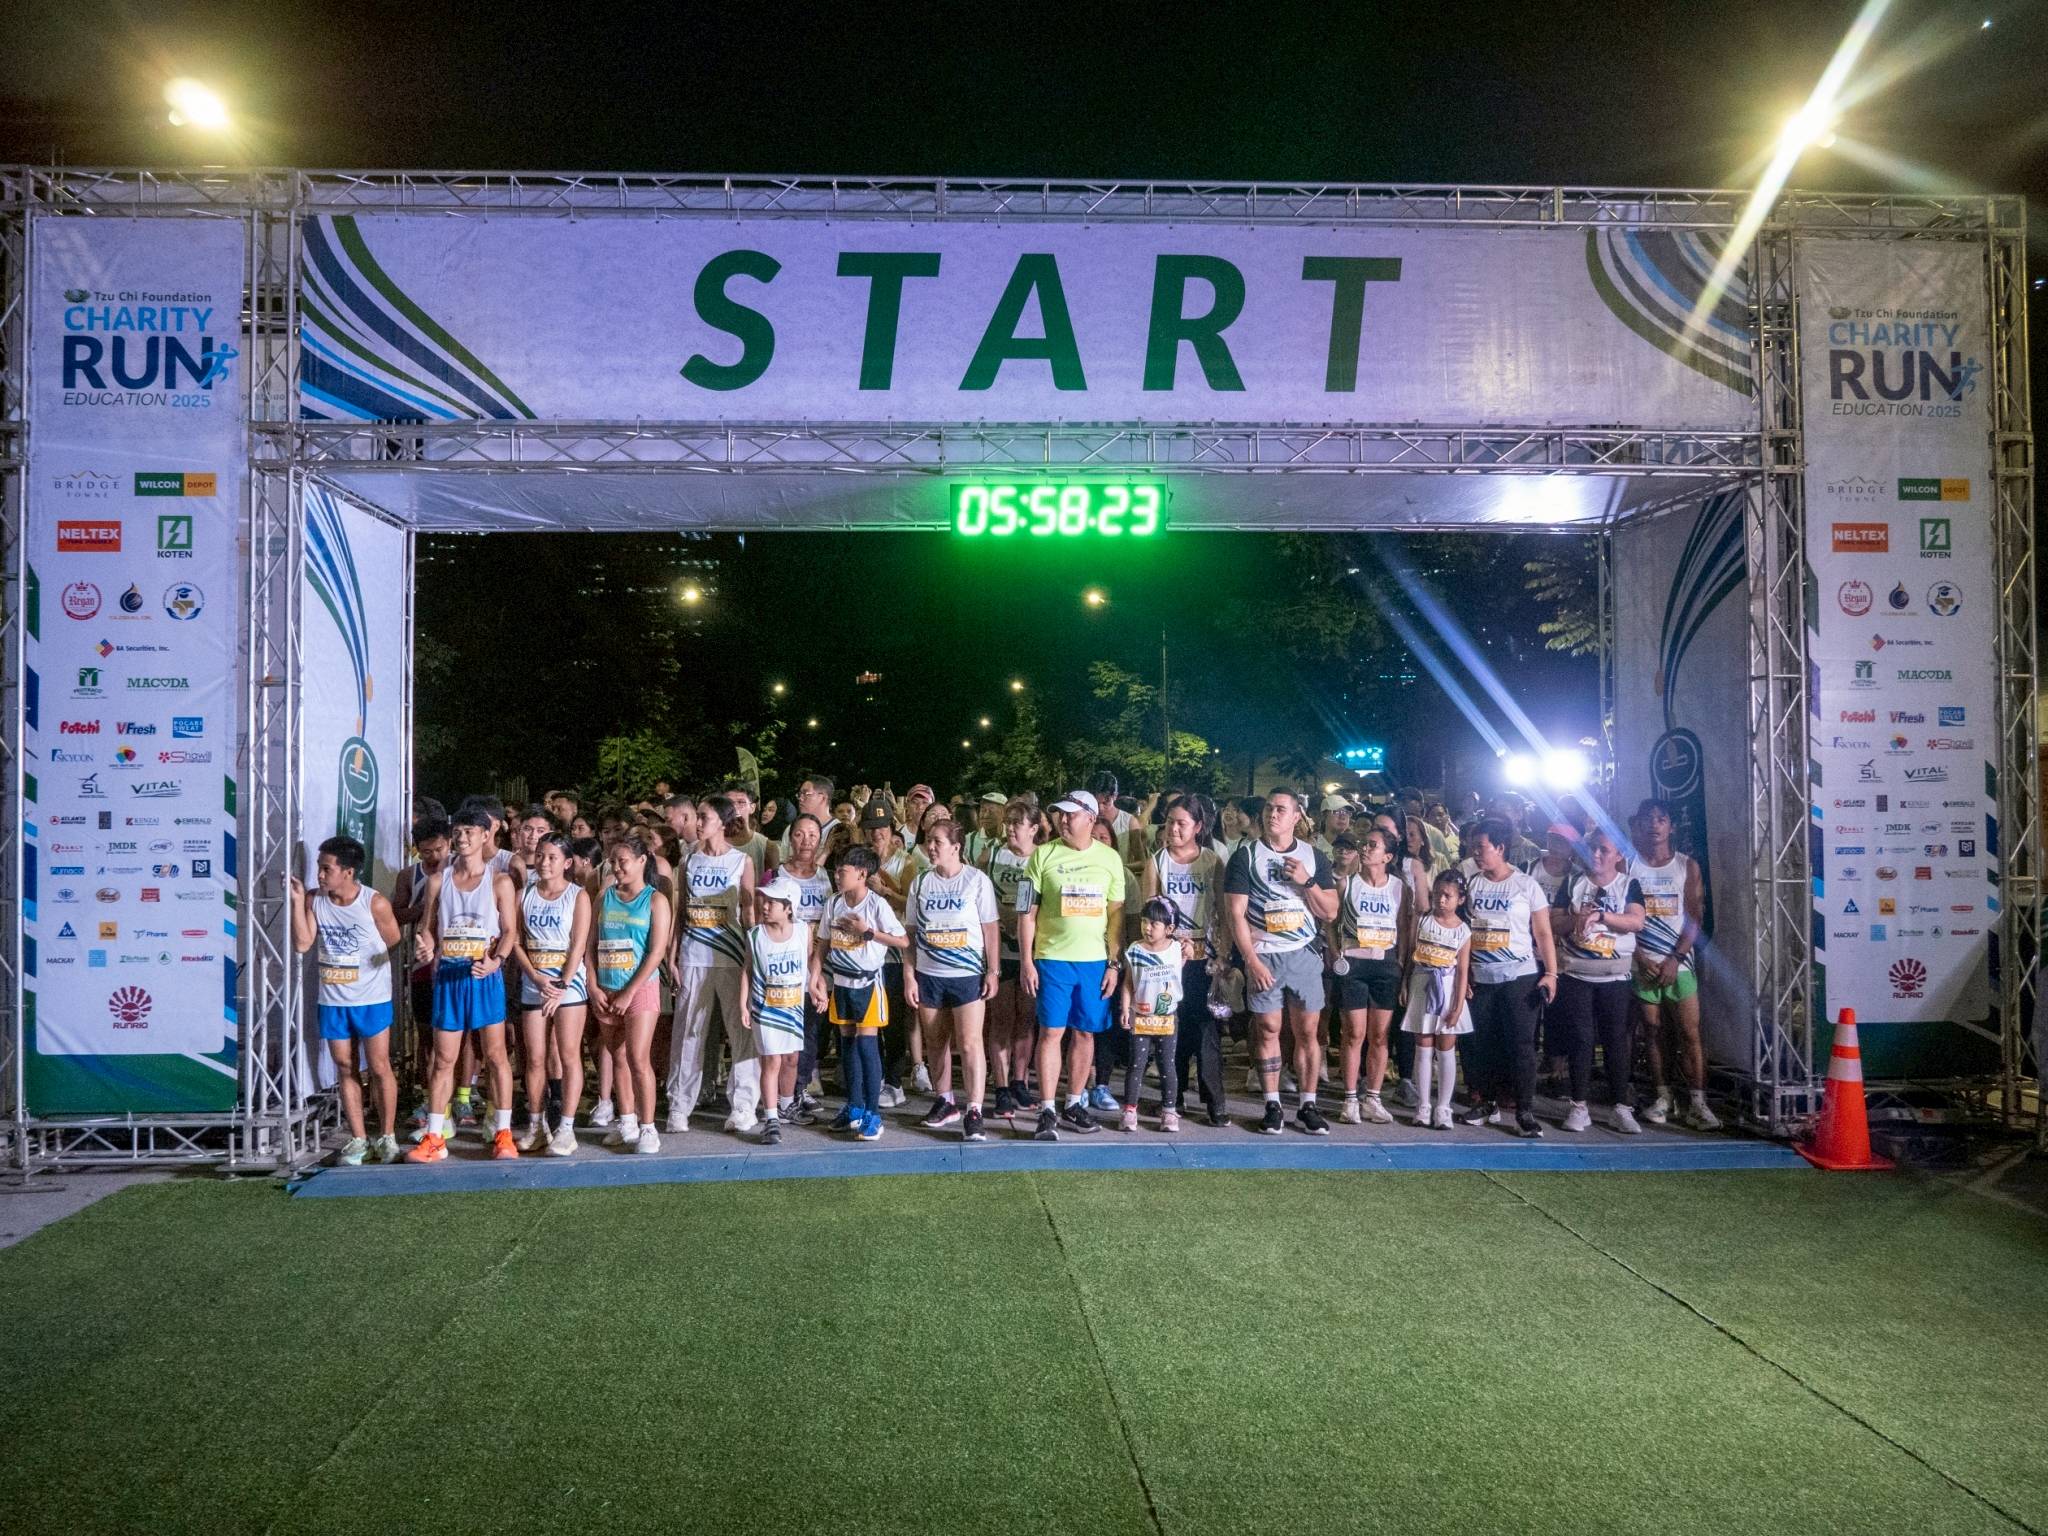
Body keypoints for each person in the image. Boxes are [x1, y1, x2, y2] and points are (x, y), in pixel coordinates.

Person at [407, 808, 522, 1163]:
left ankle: (503, 1134)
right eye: (458, 831)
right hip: (450, 977)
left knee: (496, 1055)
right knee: (443, 1059)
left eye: (470, 831)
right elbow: (425, 927)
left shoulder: (499, 881)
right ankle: (435, 1137)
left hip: (484, 976)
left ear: (486, 835)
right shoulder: (439, 880)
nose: (462, 837)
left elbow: (510, 932)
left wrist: (496, 961)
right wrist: (425, 943)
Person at [1224, 789, 1341, 1136]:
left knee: (1308, 1032)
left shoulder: (1313, 857)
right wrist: (1251, 960)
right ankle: (1272, 1104)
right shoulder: (1245, 856)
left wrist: (1306, 882)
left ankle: (1308, 1105)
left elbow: (1330, 911)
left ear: (1296, 817)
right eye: (1269, 809)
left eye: (1281, 809)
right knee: (1269, 1029)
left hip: (1304, 953)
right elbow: (1235, 914)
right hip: (1264, 955)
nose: (1272, 814)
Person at [1016, 788, 1127, 1141]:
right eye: (1059, 814)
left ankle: (1074, 1103)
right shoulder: (1041, 856)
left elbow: (1116, 917)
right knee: (1050, 1032)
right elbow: (1025, 913)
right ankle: (1047, 1108)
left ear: (1091, 818)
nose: (1063, 820)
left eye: (1071, 814)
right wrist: (1026, 961)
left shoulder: (1110, 859)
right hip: (1052, 960)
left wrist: (1113, 963)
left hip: (1094, 962)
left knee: (1085, 1032)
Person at [290, 836, 402, 1165]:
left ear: (349, 872)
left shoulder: (374, 903)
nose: (320, 875)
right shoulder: (314, 900)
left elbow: (393, 941)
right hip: (333, 1000)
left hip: (372, 999)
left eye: (327, 869)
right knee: (345, 1066)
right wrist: (298, 902)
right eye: (319, 869)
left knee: (379, 1066)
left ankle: (387, 1136)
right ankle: (358, 1138)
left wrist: (370, 968)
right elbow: (302, 943)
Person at [1457, 818, 1559, 1139]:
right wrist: (1465, 975)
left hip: (1519, 977)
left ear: (1501, 848)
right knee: (1481, 1042)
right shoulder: (1472, 884)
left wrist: (1552, 974)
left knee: (1521, 1044)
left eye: (1482, 847)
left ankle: (1525, 1110)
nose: (1476, 852)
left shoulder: (1526, 885)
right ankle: (1487, 1101)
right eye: (1474, 846)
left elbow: (1542, 932)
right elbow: (1465, 932)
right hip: (1481, 978)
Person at [668, 794, 760, 1134]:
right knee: (689, 1031)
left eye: (704, 816)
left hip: (732, 957)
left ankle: (744, 1106)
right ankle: (679, 1105)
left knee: (740, 1032)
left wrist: (754, 962)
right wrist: (674, 954)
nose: (699, 822)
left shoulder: (742, 861)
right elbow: (680, 913)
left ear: (722, 821)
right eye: (698, 816)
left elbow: (749, 915)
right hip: (694, 956)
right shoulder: (688, 862)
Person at [905, 820, 1001, 1142]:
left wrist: (993, 970)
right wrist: (910, 975)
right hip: (930, 974)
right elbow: (910, 934)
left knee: (971, 1043)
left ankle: (974, 1109)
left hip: (966, 975)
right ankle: (945, 1101)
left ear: (956, 847)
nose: (931, 847)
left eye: (937, 842)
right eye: (928, 841)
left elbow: (990, 928)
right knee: (935, 1042)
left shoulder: (976, 881)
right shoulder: (920, 884)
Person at [1630, 798, 1719, 1130]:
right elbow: (1623, 918)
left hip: (1678, 964)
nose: (1654, 825)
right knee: (1652, 1032)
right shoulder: (1629, 866)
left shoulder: (1686, 866)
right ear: (1638, 825)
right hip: (1643, 963)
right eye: (1648, 819)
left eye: (1661, 819)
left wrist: (1676, 958)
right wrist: (1639, 957)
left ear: (1671, 826)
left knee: (1688, 1032)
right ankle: (1663, 1098)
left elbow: (1695, 918)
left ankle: (1698, 1103)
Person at [1551, 827, 1647, 1133]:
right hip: (1577, 973)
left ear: (1618, 855)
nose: (1596, 854)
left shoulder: (1628, 884)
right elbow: (1554, 921)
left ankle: (1620, 1106)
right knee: (1580, 1039)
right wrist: (1575, 920)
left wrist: (1602, 917)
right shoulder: (1574, 882)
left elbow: (1636, 921)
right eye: (1592, 848)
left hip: (1615, 976)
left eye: (1604, 850)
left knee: (1615, 1039)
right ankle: (1579, 1106)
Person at [1142, 794, 1229, 1126]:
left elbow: (1223, 911)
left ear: (1198, 827)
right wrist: (1168, 944)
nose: (1174, 829)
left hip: (1203, 957)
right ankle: (1172, 1098)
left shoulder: (1211, 861)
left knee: (1206, 1030)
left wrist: (1222, 954)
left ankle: (1214, 1101)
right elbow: (1149, 914)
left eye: (1182, 823)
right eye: (1170, 822)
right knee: (1170, 1030)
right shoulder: (1157, 861)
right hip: (1168, 960)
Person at [809, 844, 907, 1142]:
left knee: (867, 1046)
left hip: (868, 982)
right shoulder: (834, 903)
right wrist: (815, 976)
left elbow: (902, 941)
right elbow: (823, 943)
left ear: (862, 874)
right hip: (841, 982)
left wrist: (868, 932)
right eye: (837, 870)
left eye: (843, 871)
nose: (838, 875)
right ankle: (853, 1108)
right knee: (847, 1046)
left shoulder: (875, 905)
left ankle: (873, 1114)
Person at [588, 834, 671, 1154]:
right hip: (606, 988)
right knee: (616, 1056)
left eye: (623, 861)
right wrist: (593, 985)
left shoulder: (655, 900)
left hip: (640, 989)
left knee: (637, 1057)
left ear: (641, 861)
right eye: (613, 861)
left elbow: (656, 951)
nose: (617, 867)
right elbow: (590, 945)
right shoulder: (604, 896)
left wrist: (628, 992)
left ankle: (648, 1127)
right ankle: (626, 1122)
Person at [512, 831, 592, 1156]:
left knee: (569, 1055)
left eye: (552, 858)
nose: (544, 862)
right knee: (534, 1058)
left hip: (567, 984)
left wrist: (561, 985)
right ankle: (536, 1125)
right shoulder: (524, 894)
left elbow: (578, 944)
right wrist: (534, 976)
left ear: (567, 863)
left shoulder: (577, 895)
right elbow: (515, 940)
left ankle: (567, 1129)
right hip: (535, 982)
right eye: (541, 856)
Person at [1333, 825, 1411, 1125]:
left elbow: (1404, 929)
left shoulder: (1399, 888)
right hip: (1354, 964)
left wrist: (1401, 965)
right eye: (1364, 844)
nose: (1365, 849)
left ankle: (1373, 1099)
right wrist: (1334, 950)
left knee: (1380, 1036)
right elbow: (1333, 921)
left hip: (1385, 966)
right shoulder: (1348, 883)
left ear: (1388, 856)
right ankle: (1350, 1098)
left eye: (1373, 846)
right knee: (1354, 1033)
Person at [1401, 870, 1475, 1130]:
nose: (1441, 900)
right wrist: (1405, 984)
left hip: (1447, 989)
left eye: (1448, 896)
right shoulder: (1422, 920)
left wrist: (1456, 1006)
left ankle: (1443, 1107)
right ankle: (1423, 1105)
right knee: (1423, 1047)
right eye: (1438, 894)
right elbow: (1411, 954)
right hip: (1422, 986)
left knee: (1445, 1050)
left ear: (1460, 899)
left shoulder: (1463, 931)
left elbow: (1463, 971)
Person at [742, 875, 810, 1146]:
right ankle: (771, 1119)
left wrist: (814, 987)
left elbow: (806, 964)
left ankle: (786, 1104)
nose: (766, 906)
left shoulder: (804, 931)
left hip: (793, 1006)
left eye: (773, 902)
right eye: (765, 901)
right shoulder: (756, 935)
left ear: (789, 907)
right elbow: (747, 970)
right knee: (772, 1061)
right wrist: (743, 1003)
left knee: (792, 1058)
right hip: (766, 1008)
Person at [983, 797, 1041, 1116]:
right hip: (1001, 950)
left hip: (1030, 952)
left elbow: (1029, 907)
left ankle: (1021, 1081)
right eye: (1007, 824)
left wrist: (1018, 920)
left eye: (1016, 824)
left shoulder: (1041, 858)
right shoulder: (994, 853)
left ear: (1033, 829)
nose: (1009, 830)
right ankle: (1001, 1086)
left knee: (1026, 1019)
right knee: (1002, 1019)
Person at [392, 815, 451, 1112]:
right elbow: (396, 914)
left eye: (439, 850)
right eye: (426, 851)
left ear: (449, 844)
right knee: (426, 1034)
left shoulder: (459, 871)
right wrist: (427, 905)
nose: (433, 857)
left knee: (457, 1037)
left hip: (455, 962)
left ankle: (458, 1099)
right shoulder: (409, 875)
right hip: (421, 966)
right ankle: (431, 1098)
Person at [779, 813, 833, 1122]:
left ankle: (800, 1088)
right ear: (790, 838)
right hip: (787, 966)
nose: (806, 841)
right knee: (788, 1033)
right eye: (800, 834)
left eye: (812, 835)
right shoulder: (779, 876)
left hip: (818, 966)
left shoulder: (826, 876)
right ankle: (783, 1093)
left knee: (811, 1031)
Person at [1117, 897, 1185, 1132]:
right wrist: (1125, 1008)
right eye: (1144, 921)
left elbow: (1182, 965)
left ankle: (1169, 1111)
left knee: (1167, 1064)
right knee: (1136, 1064)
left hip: (1167, 1018)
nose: (1147, 928)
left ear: (1169, 929)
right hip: (1141, 1016)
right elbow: (1128, 983)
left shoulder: (1177, 949)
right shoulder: (1135, 950)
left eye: (1154, 924)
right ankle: (1129, 1110)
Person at [964, 791, 1007, 867]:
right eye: (983, 810)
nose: (985, 815)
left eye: (991, 811)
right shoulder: (969, 840)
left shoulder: (1012, 838)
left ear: (1004, 814)